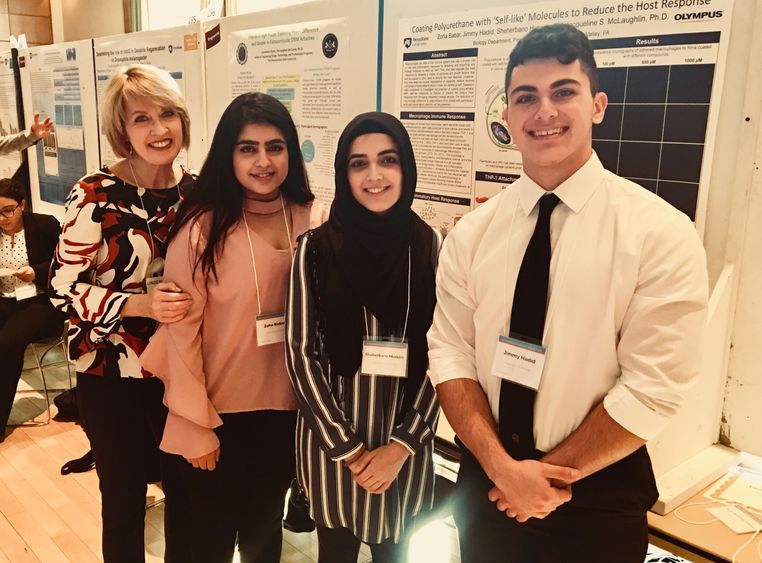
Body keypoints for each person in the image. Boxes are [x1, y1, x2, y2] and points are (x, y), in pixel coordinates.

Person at [427, 24, 709, 563]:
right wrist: (503, 470)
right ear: (506, 118)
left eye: (564, 92)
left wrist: (545, 480)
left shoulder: (659, 234)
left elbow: (654, 386)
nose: (544, 112)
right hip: (486, 486)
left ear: (597, 105)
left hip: (595, 498)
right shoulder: (472, 234)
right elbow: (449, 351)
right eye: (525, 98)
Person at [141, 92, 325, 563]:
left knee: (263, 537)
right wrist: (193, 425)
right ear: (228, 154)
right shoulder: (202, 228)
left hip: (286, 417)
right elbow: (180, 335)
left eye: (276, 147)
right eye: (248, 148)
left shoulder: (313, 219)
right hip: (215, 416)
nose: (264, 161)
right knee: (202, 546)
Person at [48, 64, 195, 563]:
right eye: (142, 118)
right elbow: (61, 288)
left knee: (189, 498)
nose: (159, 130)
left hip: (182, 375)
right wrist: (139, 305)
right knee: (125, 502)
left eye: (168, 114)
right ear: (122, 129)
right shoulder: (95, 194)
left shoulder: (196, 193)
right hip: (112, 373)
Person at [286, 112, 441, 563]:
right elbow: (300, 355)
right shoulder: (314, 250)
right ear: (343, 172)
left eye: (387, 160)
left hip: (404, 446)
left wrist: (402, 446)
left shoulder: (428, 247)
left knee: (396, 553)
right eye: (358, 163)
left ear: (405, 168)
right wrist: (350, 451)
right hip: (334, 450)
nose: (374, 175)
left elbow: (446, 354)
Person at [0, 177, 64, 439]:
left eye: (8, 210)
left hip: (40, 301)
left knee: (7, 344)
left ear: (22, 205)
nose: (2, 218)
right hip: (4, 298)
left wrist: (35, 272)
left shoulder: (45, 225)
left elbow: (65, 262)